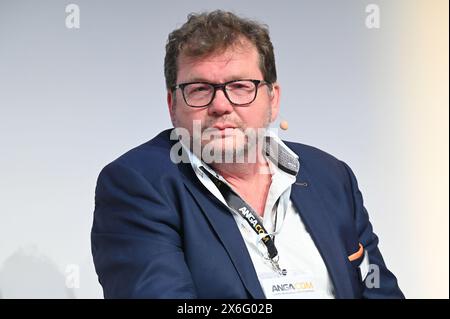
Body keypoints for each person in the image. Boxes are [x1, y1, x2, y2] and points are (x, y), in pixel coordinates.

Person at [91, 10, 404, 299]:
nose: (221, 105)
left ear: (272, 99)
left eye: (240, 86)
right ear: (173, 105)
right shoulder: (137, 184)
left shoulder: (331, 176)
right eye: (199, 89)